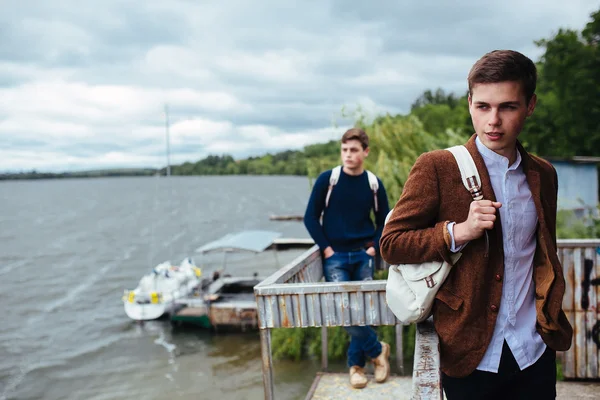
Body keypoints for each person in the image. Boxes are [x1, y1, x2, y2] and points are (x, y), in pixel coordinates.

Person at [380, 50, 572, 399]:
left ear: (530, 106)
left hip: (533, 349)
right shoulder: (438, 166)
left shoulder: (544, 174)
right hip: (469, 352)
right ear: (469, 103)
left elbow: (543, 253)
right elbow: (391, 244)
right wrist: (457, 232)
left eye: (508, 107)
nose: (493, 120)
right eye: (482, 106)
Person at [304, 128, 391, 389]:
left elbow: (385, 220)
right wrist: (327, 249)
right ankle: (378, 350)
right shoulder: (327, 180)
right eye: (344, 150)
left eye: (354, 150)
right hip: (335, 257)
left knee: (360, 311)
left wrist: (374, 248)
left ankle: (356, 368)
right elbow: (310, 217)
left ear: (365, 152)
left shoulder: (373, 184)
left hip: (363, 256)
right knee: (343, 311)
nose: (348, 155)